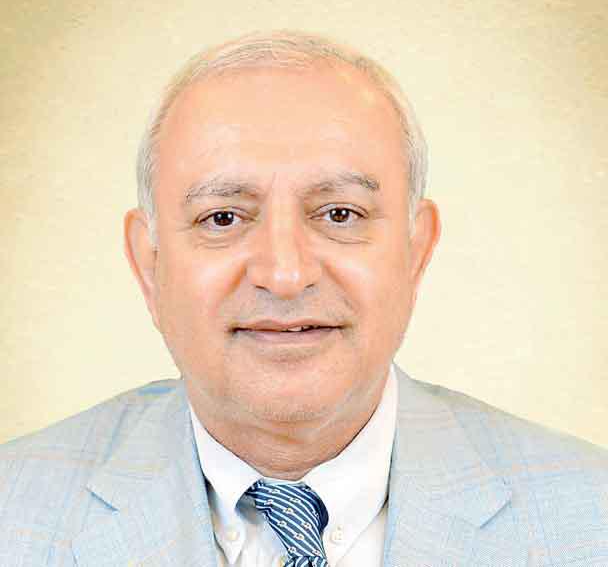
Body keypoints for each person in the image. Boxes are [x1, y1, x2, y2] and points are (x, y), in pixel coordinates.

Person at [1, 30, 607, 567]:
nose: (285, 274)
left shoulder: (591, 517)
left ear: (416, 252)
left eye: (340, 214)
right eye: (223, 217)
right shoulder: (13, 514)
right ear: (149, 266)